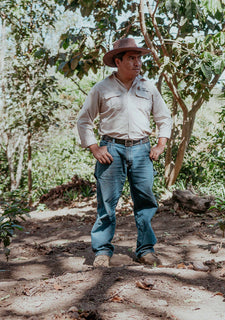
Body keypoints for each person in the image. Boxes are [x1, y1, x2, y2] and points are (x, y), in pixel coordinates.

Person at [77, 38, 172, 268]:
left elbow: (164, 118)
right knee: (107, 203)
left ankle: (146, 250)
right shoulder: (102, 88)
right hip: (111, 150)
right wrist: (94, 148)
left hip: (141, 149)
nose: (137, 62)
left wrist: (160, 145)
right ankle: (101, 252)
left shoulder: (148, 87)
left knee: (146, 201)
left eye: (139, 58)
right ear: (118, 61)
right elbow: (84, 120)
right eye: (131, 58)